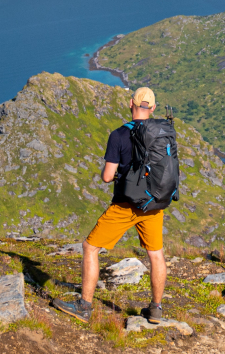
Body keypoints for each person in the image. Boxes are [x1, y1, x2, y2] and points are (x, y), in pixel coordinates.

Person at [54, 86, 169, 322]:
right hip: (153, 204)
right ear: (153, 108)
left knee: (90, 247)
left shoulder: (119, 135)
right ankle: (156, 308)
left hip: (125, 205)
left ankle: (84, 306)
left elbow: (107, 176)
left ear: (131, 104)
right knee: (155, 254)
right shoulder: (163, 134)